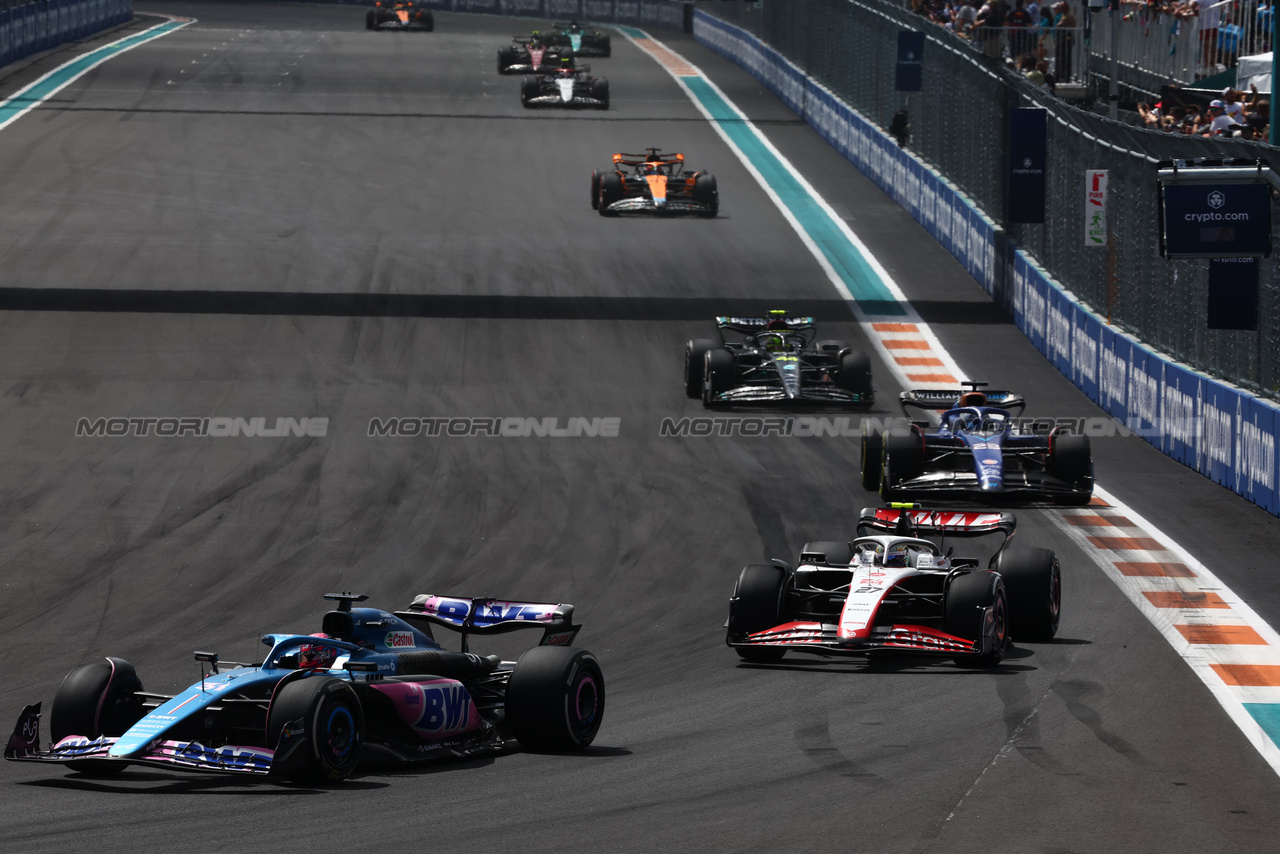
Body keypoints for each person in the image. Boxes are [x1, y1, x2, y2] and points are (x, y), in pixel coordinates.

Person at [1054, 2, 1077, 81]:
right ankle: (1062, 75)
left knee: (1064, 58)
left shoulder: (1068, 16)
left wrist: (1058, 26)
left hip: (1066, 39)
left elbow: (1059, 25)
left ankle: (1065, 76)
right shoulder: (1065, 15)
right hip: (1063, 39)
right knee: (1062, 58)